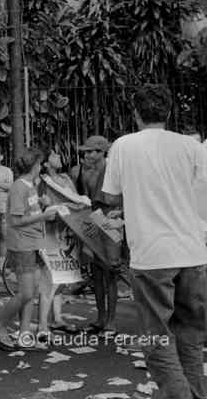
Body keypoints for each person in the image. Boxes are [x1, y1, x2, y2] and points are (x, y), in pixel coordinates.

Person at [102, 85, 207, 398]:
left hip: (152, 255)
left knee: (156, 339)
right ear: (169, 112)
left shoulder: (124, 146)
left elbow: (109, 195)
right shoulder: (191, 147)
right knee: (189, 337)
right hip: (193, 252)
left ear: (135, 114)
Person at [0, 148, 60, 351]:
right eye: (40, 164)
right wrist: (43, 215)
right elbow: (16, 219)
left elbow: (27, 209)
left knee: (31, 291)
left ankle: (24, 335)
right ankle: (0, 325)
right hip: (22, 245)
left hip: (34, 243)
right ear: (36, 166)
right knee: (26, 293)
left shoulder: (29, 186)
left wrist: (41, 204)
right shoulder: (19, 187)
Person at [75, 135, 120, 335]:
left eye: (92, 151)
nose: (87, 154)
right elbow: (86, 200)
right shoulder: (86, 173)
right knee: (97, 272)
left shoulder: (114, 170)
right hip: (94, 219)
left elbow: (120, 200)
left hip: (111, 221)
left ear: (102, 152)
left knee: (111, 271)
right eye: (86, 151)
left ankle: (111, 321)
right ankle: (101, 318)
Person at [36, 150, 79, 341]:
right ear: (46, 163)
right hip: (51, 233)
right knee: (49, 279)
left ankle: (58, 318)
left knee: (63, 278)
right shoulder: (41, 182)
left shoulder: (66, 178)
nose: (59, 157)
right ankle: (42, 325)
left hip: (68, 232)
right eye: (54, 155)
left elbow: (76, 200)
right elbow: (38, 207)